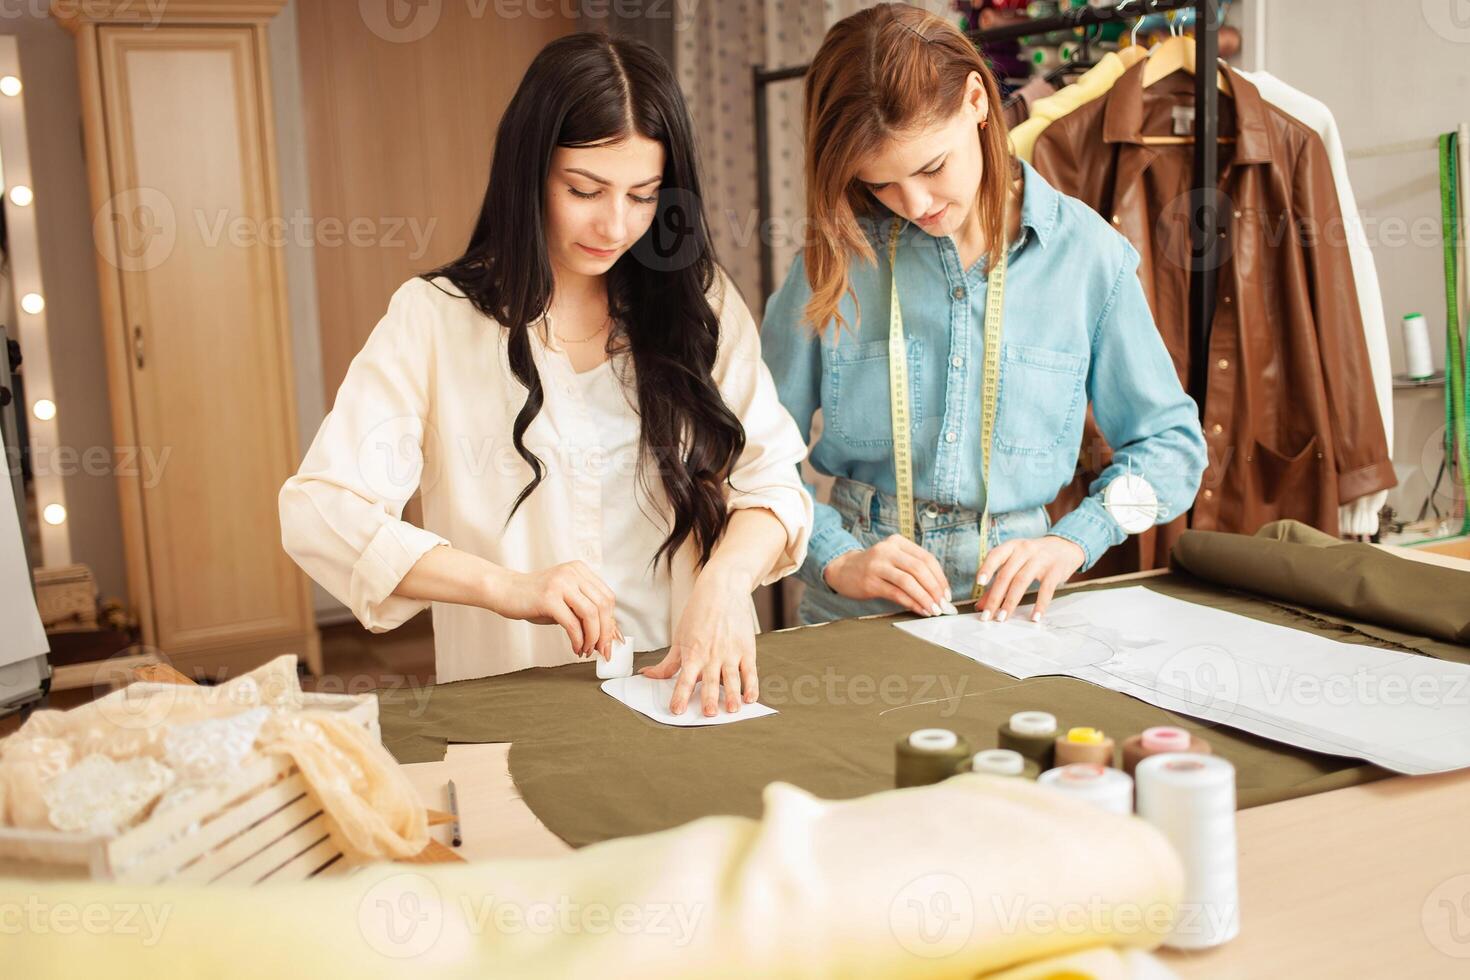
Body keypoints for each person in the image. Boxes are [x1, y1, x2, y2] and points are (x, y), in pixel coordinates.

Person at [280, 34, 812, 716]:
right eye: (584, 189)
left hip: (683, 689)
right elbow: (322, 510)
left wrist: (725, 583)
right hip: (514, 699)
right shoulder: (437, 320)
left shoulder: (697, 304)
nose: (615, 224)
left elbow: (773, 482)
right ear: (529, 172)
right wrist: (506, 587)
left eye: (643, 195)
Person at [761, 3, 1205, 627]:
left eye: (930, 166)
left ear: (976, 100)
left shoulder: (1087, 258)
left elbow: (1172, 450)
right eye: (881, 184)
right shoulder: (835, 260)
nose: (914, 204)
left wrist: (1078, 537)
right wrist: (836, 559)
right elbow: (746, 454)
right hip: (850, 620)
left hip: (1014, 621)